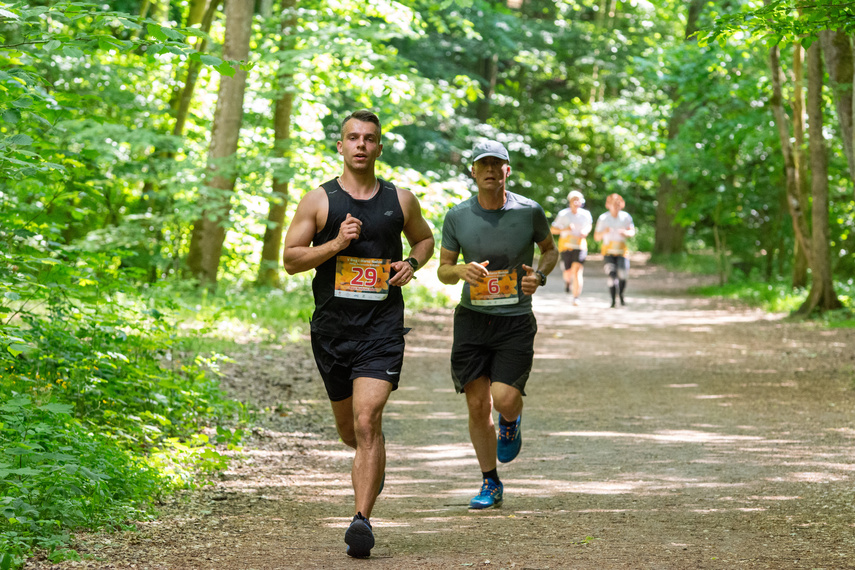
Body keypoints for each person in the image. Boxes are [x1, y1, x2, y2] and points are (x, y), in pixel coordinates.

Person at [282, 109, 434, 558]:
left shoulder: (400, 200)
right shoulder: (319, 201)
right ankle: (371, 463)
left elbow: (423, 240)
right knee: (352, 433)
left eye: (369, 138)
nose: (361, 145)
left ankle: (361, 521)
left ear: (379, 147)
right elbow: (290, 259)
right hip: (332, 331)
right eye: (353, 138)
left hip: (382, 329)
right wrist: (335, 244)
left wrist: (412, 263)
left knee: (368, 421)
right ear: (341, 146)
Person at [437, 140, 558, 510]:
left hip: (515, 320)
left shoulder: (529, 211)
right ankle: (490, 481)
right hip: (473, 320)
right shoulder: (457, 216)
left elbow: (550, 251)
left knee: (505, 397)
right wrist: (460, 270)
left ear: (507, 171)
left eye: (497, 164)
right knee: (476, 405)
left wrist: (539, 274)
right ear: (473, 172)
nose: (490, 170)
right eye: (482, 164)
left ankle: (511, 421)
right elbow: (443, 270)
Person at [550, 190, 593, 305]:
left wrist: (585, 231)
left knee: (577, 271)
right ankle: (568, 282)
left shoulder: (585, 214)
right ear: (570, 201)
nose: (576, 202)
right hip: (566, 246)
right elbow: (553, 230)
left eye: (578, 199)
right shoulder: (563, 214)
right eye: (574, 199)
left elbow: (589, 226)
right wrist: (566, 229)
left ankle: (576, 297)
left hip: (580, 245)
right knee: (568, 272)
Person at [593, 193, 635, 308]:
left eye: (618, 204)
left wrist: (625, 233)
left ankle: (621, 294)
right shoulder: (603, 218)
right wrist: (604, 232)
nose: (616, 206)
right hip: (608, 252)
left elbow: (632, 231)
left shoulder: (626, 217)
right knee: (612, 275)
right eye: (613, 204)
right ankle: (613, 300)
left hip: (622, 251)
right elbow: (596, 237)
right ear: (608, 205)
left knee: (623, 275)